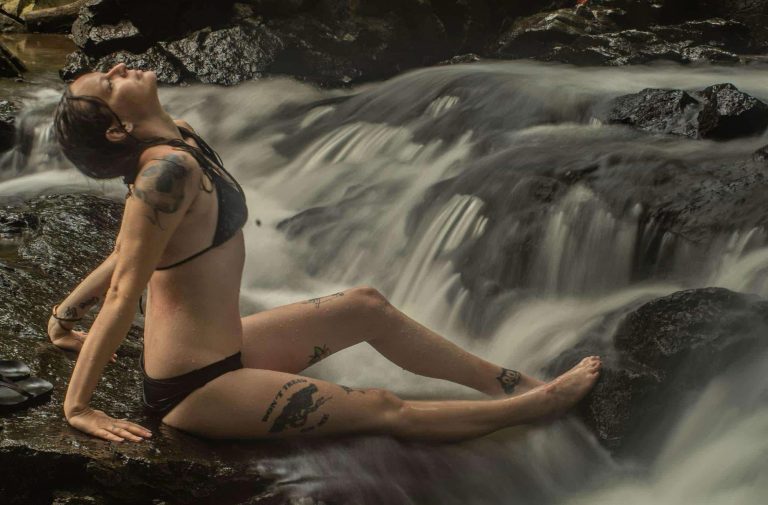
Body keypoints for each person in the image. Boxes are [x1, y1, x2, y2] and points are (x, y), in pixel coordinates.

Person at [50, 62, 601, 444]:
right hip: (196, 387)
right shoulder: (164, 172)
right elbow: (126, 289)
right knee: (383, 409)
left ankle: (510, 382)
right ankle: (530, 410)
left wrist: (63, 313)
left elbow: (131, 249)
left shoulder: (183, 140)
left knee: (366, 305)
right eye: (109, 81)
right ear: (118, 129)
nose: (120, 68)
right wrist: (77, 407)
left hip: (231, 347)